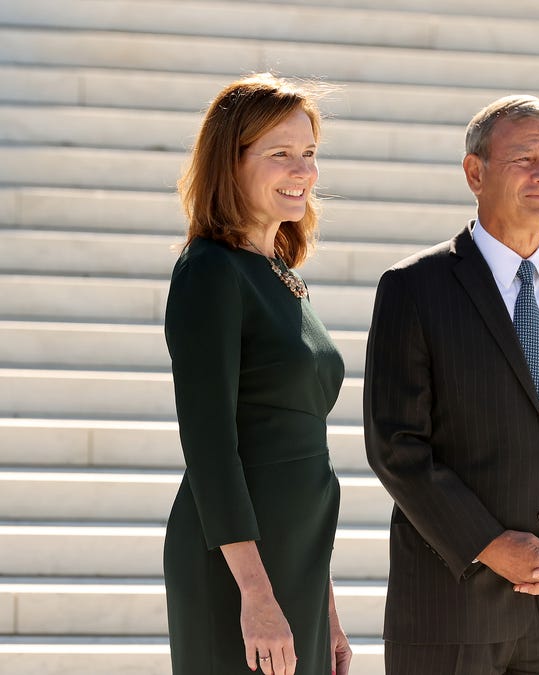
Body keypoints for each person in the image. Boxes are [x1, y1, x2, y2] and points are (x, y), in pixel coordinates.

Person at [363, 94, 539, 674]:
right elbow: (397, 447)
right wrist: (493, 547)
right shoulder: (414, 288)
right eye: (525, 159)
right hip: (451, 610)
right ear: (475, 172)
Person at [163, 73, 352, 675]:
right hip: (238, 571)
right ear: (231, 162)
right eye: (279, 154)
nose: (302, 170)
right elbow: (210, 447)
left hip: (296, 558)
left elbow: (300, 448)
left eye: (309, 153)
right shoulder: (210, 272)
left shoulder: (279, 273)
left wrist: (326, 607)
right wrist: (257, 595)